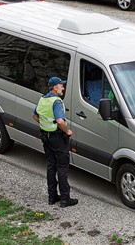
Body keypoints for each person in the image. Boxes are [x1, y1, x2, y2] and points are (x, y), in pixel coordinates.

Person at [32, 76, 78, 207]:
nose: (63, 87)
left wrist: (44, 124)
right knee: (62, 167)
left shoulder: (43, 99)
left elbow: (34, 115)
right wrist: (67, 131)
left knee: (51, 166)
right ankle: (65, 198)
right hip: (58, 137)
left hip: (46, 137)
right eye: (61, 85)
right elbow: (59, 121)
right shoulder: (57, 102)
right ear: (54, 87)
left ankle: (52, 197)